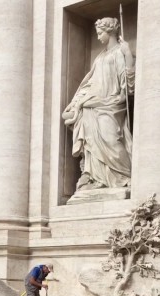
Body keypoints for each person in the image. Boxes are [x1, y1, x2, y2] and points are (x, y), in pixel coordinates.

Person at [61, 17, 134, 195]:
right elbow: (89, 82)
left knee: (111, 140)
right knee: (91, 144)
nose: (98, 37)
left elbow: (129, 85)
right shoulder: (100, 57)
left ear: (110, 32)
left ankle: (125, 176)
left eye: (100, 33)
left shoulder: (120, 52)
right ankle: (94, 177)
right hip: (92, 104)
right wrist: (76, 102)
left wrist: (129, 55)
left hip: (111, 104)